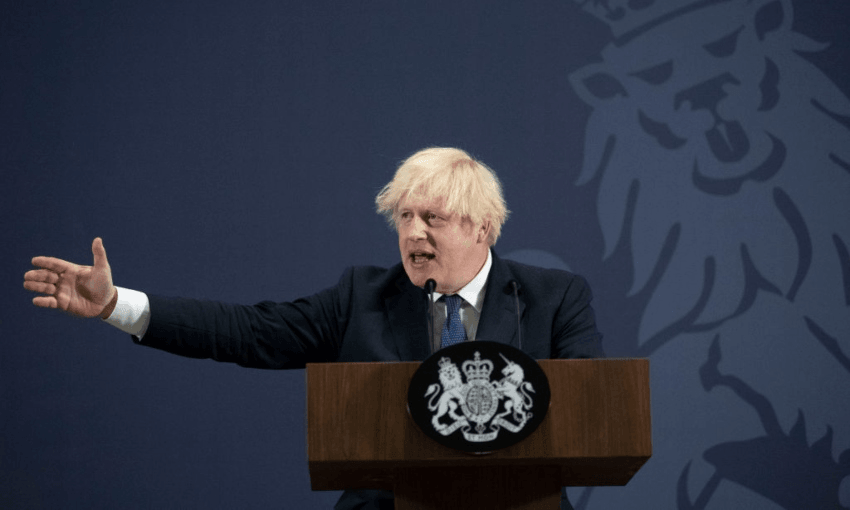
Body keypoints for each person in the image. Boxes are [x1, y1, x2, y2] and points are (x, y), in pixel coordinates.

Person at [24, 147, 604, 510]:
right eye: (404, 217)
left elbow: (586, 409)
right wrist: (114, 305)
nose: (413, 233)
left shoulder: (553, 298)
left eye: (433, 218)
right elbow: (248, 331)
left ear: (484, 228)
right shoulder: (362, 297)